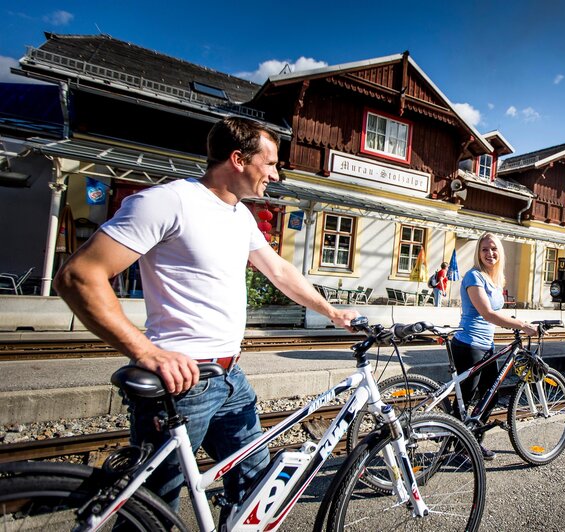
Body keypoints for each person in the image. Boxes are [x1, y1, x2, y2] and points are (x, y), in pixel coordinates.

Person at [53, 117, 360, 519]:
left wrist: (333, 313)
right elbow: (79, 276)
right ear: (238, 159)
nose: (276, 173)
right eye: (270, 163)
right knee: (153, 509)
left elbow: (280, 272)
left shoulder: (240, 216)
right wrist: (147, 352)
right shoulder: (168, 202)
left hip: (230, 376)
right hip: (183, 381)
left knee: (256, 489)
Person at [451, 233, 537, 460]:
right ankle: (460, 447)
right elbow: (487, 313)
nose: (490, 254)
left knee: (491, 396)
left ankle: (470, 441)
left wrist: (519, 321)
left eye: (493, 249)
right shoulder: (474, 277)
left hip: (486, 345)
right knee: (466, 400)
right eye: (484, 250)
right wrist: (521, 324)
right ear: (478, 253)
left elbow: (497, 311)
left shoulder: (493, 278)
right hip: (469, 345)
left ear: (500, 252)